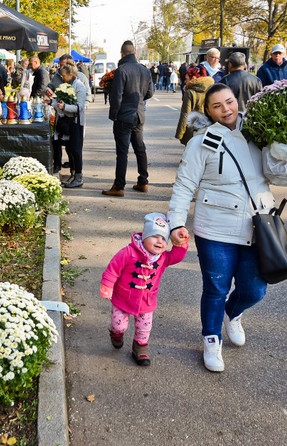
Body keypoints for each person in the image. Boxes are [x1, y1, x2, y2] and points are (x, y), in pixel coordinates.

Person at [168, 83, 277, 372]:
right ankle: (211, 338)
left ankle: (234, 313)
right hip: (215, 229)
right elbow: (184, 186)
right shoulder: (200, 142)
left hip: (258, 225)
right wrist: (175, 223)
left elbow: (279, 172)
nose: (226, 109)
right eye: (217, 106)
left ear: (237, 101)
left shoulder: (259, 134)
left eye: (229, 102)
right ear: (208, 111)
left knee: (255, 290)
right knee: (216, 287)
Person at [99, 213, 188, 366]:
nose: (159, 241)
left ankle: (140, 347)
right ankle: (116, 333)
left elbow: (177, 256)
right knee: (119, 324)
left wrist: (181, 243)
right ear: (144, 236)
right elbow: (113, 269)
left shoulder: (162, 258)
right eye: (155, 236)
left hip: (146, 300)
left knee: (144, 327)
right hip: (123, 297)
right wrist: (107, 285)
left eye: (163, 238)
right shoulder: (128, 253)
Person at [102, 40, 154, 197]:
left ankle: (119, 186)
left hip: (124, 116)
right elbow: (150, 93)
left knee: (122, 152)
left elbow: (116, 96)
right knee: (140, 148)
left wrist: (114, 115)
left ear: (122, 53)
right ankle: (143, 181)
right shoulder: (145, 70)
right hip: (139, 114)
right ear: (134, 52)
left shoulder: (122, 70)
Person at [45, 63, 87, 188]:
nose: (62, 78)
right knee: (70, 149)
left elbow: (79, 107)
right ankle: (74, 175)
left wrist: (65, 106)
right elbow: (61, 102)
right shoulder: (67, 85)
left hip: (75, 122)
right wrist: (52, 102)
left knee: (76, 150)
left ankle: (78, 177)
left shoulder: (80, 87)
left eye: (63, 75)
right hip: (66, 121)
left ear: (71, 74)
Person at [175, 67, 214, 145]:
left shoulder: (190, 92)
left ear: (193, 78)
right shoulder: (212, 88)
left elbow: (185, 114)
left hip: (194, 130)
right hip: (210, 128)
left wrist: (180, 133)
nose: (185, 81)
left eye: (187, 79)